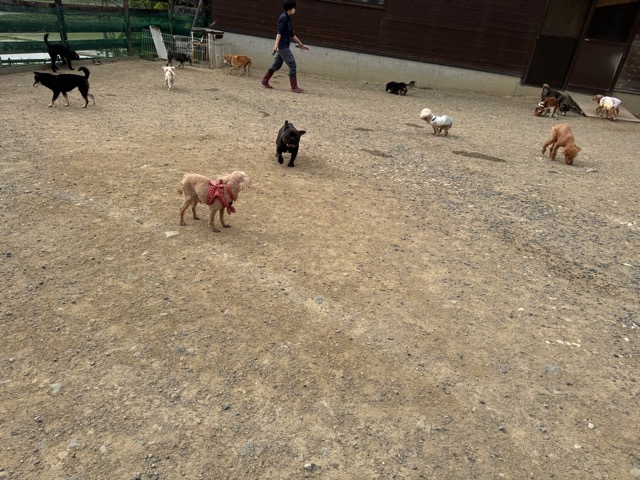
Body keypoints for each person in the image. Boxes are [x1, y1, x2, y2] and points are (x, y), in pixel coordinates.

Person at [261, 0, 308, 93]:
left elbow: (291, 34)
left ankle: (265, 80)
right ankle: (294, 87)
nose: (295, 10)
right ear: (290, 9)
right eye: (294, 8)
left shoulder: (288, 18)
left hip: (284, 46)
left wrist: (300, 43)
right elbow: (279, 33)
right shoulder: (283, 18)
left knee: (276, 65)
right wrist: (276, 45)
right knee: (292, 64)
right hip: (283, 46)